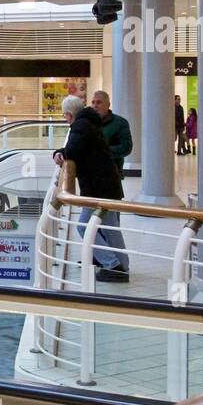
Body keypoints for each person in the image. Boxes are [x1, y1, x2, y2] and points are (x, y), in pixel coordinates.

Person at [53, 95, 130, 282]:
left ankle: (112, 265)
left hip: (97, 188)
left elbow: (72, 150)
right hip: (107, 184)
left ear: (69, 115)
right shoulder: (89, 123)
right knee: (111, 227)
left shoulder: (80, 126)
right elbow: (78, 148)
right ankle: (123, 265)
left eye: (65, 115)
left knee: (83, 227)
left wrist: (59, 153)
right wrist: (61, 151)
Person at [89, 89, 132, 177]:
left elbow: (126, 147)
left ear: (108, 105)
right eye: (93, 102)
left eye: (99, 102)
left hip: (111, 174)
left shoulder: (120, 123)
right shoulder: (88, 123)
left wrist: (102, 151)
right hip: (89, 174)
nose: (95, 106)